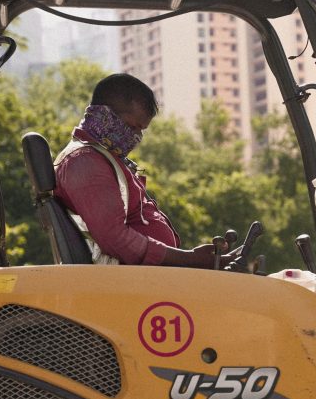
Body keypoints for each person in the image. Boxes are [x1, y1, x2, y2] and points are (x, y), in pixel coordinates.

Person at [54, 73, 230, 268]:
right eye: (132, 126)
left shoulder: (105, 158)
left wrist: (189, 258)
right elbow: (115, 239)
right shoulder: (85, 162)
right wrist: (189, 259)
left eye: (141, 130)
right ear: (104, 115)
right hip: (125, 282)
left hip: (142, 278)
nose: (136, 137)